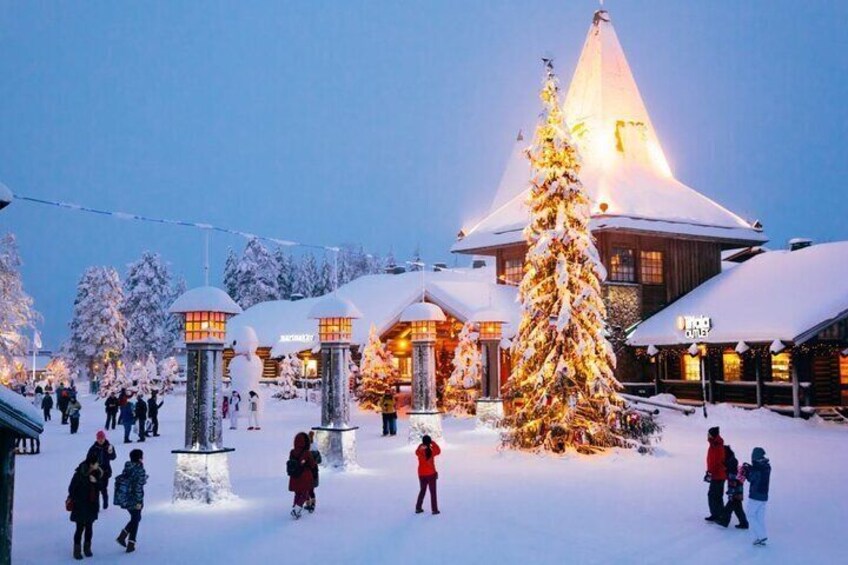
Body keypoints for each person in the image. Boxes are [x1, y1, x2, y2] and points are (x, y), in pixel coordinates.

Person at [67, 451, 103, 559]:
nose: (98, 465)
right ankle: (77, 550)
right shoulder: (79, 474)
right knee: (79, 528)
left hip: (91, 505)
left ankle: (87, 548)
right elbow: (71, 489)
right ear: (91, 464)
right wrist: (78, 499)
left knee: (89, 527)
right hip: (80, 505)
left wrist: (95, 482)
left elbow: (101, 487)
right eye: (96, 463)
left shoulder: (97, 474)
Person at [115, 449, 148, 553]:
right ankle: (127, 540)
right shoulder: (140, 470)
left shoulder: (127, 466)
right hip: (135, 499)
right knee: (136, 518)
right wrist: (138, 501)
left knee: (135, 518)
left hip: (126, 498)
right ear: (139, 458)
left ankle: (129, 541)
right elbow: (138, 487)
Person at [743, 447, 771, 546]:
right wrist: (750, 468)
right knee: (759, 518)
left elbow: (751, 478)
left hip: (756, 496)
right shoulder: (766, 466)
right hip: (763, 496)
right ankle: (759, 538)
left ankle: (761, 535)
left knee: (750, 515)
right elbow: (757, 472)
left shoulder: (758, 467)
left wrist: (746, 472)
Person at [717, 445, 748, 529]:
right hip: (737, 487)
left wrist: (731, 492)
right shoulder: (730, 460)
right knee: (737, 506)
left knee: (730, 505)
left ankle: (724, 521)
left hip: (735, 488)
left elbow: (732, 479)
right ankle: (744, 523)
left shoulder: (731, 462)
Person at [287, 432, 317, 519]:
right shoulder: (307, 453)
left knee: (297, 493)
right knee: (304, 494)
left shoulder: (292, 452)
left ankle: (294, 507)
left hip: (294, 476)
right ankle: (296, 510)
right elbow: (312, 464)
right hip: (305, 477)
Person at [87, 430, 117, 510]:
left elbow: (113, 457)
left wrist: (110, 453)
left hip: (105, 471)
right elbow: (88, 459)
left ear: (104, 438)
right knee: (95, 489)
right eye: (99, 439)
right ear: (96, 439)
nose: (100, 440)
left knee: (104, 488)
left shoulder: (109, 446)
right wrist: (92, 465)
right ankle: (96, 506)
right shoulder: (93, 448)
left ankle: (105, 504)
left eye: (102, 438)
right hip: (95, 471)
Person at [704, 426, 726, 522]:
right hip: (716, 474)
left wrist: (710, 472)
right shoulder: (713, 445)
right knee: (716, 495)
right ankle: (718, 514)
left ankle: (717, 514)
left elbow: (717, 462)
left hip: (718, 476)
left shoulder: (717, 446)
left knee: (713, 495)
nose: (707, 436)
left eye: (709, 434)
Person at [415, 434, 441, 515]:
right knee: (433, 492)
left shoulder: (419, 450)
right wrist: (432, 442)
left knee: (422, 490)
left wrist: (421, 445)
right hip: (431, 473)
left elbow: (416, 451)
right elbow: (439, 450)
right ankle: (434, 509)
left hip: (421, 473)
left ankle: (418, 507)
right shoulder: (431, 451)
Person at [305, 431, 322, 513]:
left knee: (306, 489)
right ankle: (312, 504)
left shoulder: (305, 452)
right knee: (311, 489)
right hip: (314, 472)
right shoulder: (316, 450)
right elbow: (319, 461)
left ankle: (308, 504)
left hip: (306, 473)